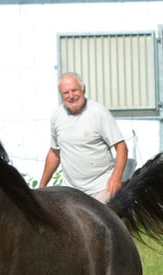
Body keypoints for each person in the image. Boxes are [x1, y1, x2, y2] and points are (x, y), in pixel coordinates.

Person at [39, 72, 129, 202]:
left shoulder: (99, 113)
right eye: (66, 92)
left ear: (83, 89)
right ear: (61, 95)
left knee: (95, 220)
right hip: (72, 190)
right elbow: (54, 153)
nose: (71, 96)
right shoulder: (57, 116)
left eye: (74, 90)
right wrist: (42, 186)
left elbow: (121, 147)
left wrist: (116, 178)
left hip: (101, 187)